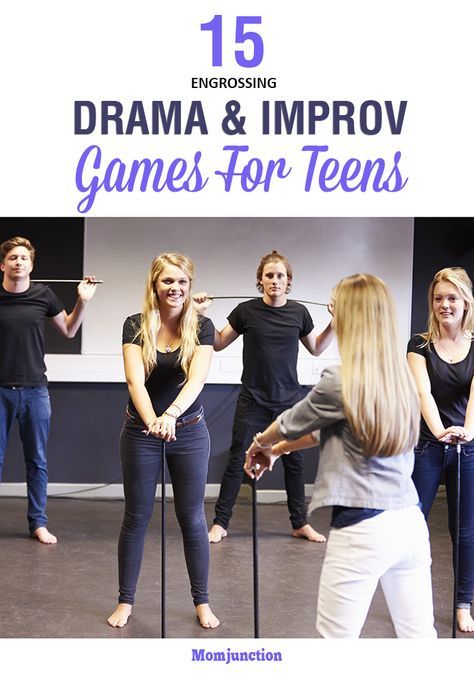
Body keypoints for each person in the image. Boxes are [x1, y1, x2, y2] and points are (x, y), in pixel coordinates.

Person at [245, 273, 437, 638]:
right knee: (419, 638)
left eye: (337, 307)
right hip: (410, 524)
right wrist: (280, 451)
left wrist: (262, 444)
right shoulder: (399, 377)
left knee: (336, 644)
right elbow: (325, 432)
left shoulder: (342, 379)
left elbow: (290, 422)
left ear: (350, 316)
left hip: (363, 527)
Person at [107, 253, 219, 630]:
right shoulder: (134, 325)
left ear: (190, 286)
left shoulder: (202, 326)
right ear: (154, 284)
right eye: (167, 281)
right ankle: (125, 601)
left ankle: (202, 602)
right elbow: (134, 381)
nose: (175, 288)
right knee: (136, 517)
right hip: (141, 431)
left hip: (188, 430)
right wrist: (153, 420)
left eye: (182, 282)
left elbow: (197, 380)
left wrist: (170, 416)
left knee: (192, 518)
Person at [194, 250, 334, 544]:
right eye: (269, 275)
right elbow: (218, 343)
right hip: (253, 400)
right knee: (236, 461)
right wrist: (199, 316)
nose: (274, 280)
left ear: (288, 281)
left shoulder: (299, 313)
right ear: (261, 280)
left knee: (293, 462)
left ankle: (300, 523)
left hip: (289, 401)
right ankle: (220, 523)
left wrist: (336, 321)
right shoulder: (246, 311)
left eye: (280, 275)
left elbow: (317, 348)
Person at [0, 235, 97, 545]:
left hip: (35, 391)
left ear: (31, 265)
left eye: (24, 258)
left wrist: (82, 300)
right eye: (13, 258)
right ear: (3, 264)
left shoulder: (44, 295)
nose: (18, 262)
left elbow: (69, 330)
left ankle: (38, 523)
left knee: (37, 460)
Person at [407, 266, 474, 633]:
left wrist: (466, 432)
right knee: (415, 526)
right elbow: (423, 393)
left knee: (465, 531)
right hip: (428, 446)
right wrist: (440, 432)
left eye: (452, 298)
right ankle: (414, 602)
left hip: (469, 447)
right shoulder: (419, 344)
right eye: (438, 298)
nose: (444, 305)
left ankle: (463, 604)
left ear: (465, 301)